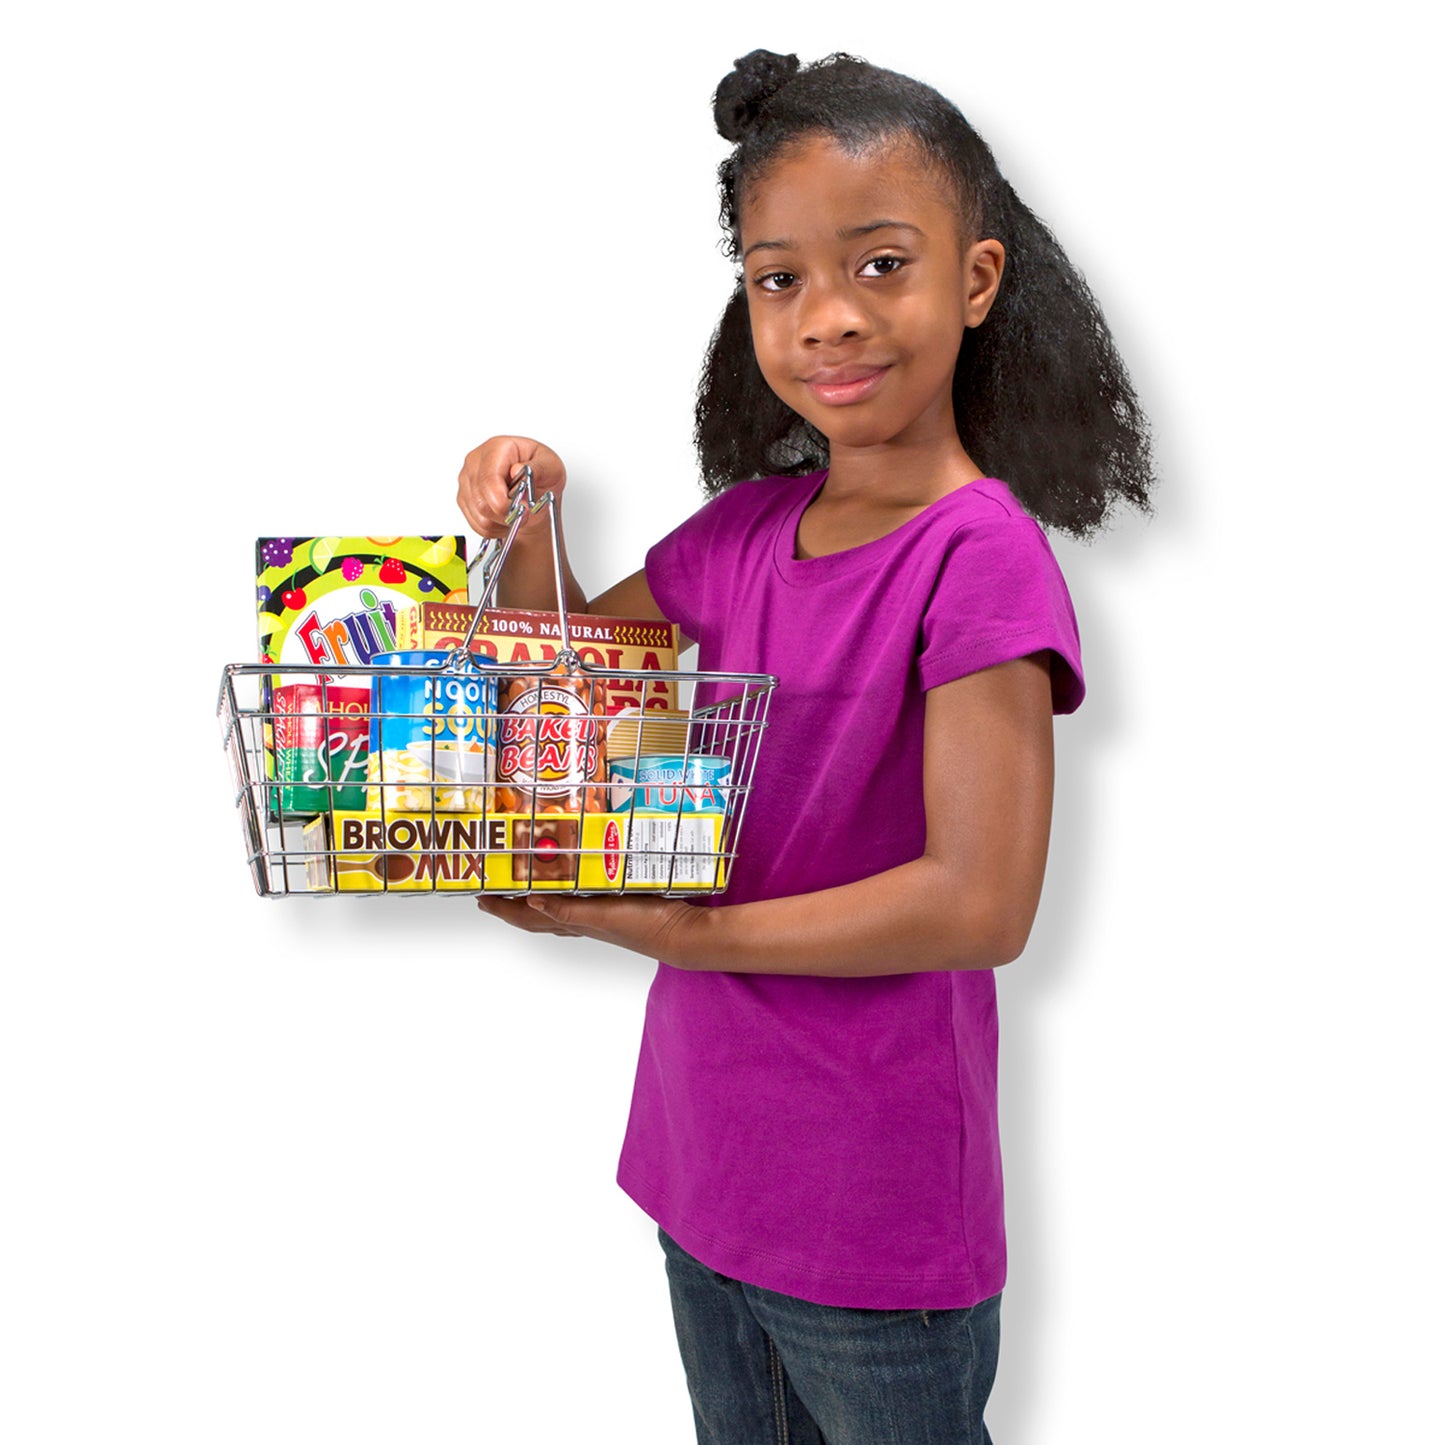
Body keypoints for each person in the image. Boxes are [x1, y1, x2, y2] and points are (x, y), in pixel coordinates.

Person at [457, 50, 1153, 1445]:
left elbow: (979, 903)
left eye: (880, 264)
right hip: (701, 1162)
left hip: (870, 1211)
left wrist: (680, 931)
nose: (828, 316)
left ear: (975, 279)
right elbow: (557, 682)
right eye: (780, 278)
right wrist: (528, 516)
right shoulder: (741, 534)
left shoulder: (978, 559)